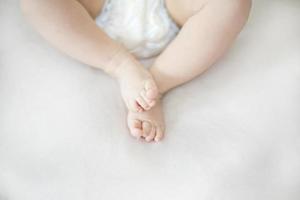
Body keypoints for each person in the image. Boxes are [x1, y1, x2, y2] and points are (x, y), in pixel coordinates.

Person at [21, 0, 251, 142]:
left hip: (171, 8)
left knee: (232, 3)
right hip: (98, 8)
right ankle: (119, 64)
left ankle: (156, 84)